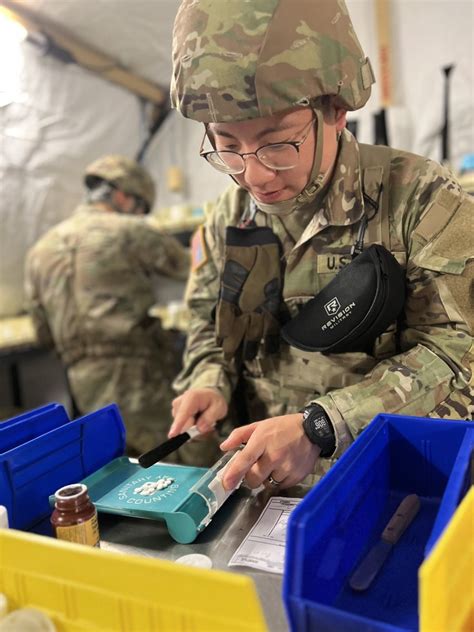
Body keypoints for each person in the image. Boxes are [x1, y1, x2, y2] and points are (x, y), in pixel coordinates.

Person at [169, 0, 473, 489]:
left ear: (336, 110)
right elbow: (208, 323)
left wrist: (321, 425)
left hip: (384, 484)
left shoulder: (418, 198)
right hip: (262, 491)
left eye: (277, 143)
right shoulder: (229, 216)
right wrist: (210, 380)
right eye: (227, 146)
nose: (255, 175)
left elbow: (460, 354)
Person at [25, 155, 190, 456]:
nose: (139, 215)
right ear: (123, 196)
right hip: (138, 371)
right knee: (170, 459)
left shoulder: (40, 249)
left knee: (118, 467)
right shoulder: (129, 230)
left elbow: (41, 329)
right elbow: (197, 269)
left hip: (82, 380)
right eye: (140, 208)